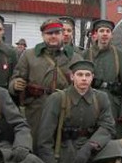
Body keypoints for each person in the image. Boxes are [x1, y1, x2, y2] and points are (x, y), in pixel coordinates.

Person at [38, 60, 122, 163]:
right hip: (65, 148)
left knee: (117, 149)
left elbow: (108, 126)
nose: (84, 79)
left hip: (90, 145)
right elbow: (45, 136)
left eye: (87, 75)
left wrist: (90, 146)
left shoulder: (101, 98)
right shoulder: (58, 98)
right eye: (79, 75)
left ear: (92, 77)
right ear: (72, 77)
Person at [9, 19, 79, 147]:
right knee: (36, 144)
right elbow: (16, 78)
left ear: (62, 34)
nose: (53, 36)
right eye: (49, 33)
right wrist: (15, 84)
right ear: (43, 35)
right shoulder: (29, 55)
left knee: (62, 146)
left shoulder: (74, 58)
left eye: (56, 33)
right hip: (37, 109)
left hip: (65, 109)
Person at [85, 19, 122, 137]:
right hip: (90, 101)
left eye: (108, 31)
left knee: (113, 135)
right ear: (96, 34)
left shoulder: (119, 54)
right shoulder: (85, 54)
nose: (105, 34)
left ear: (111, 35)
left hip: (113, 102)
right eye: (101, 31)